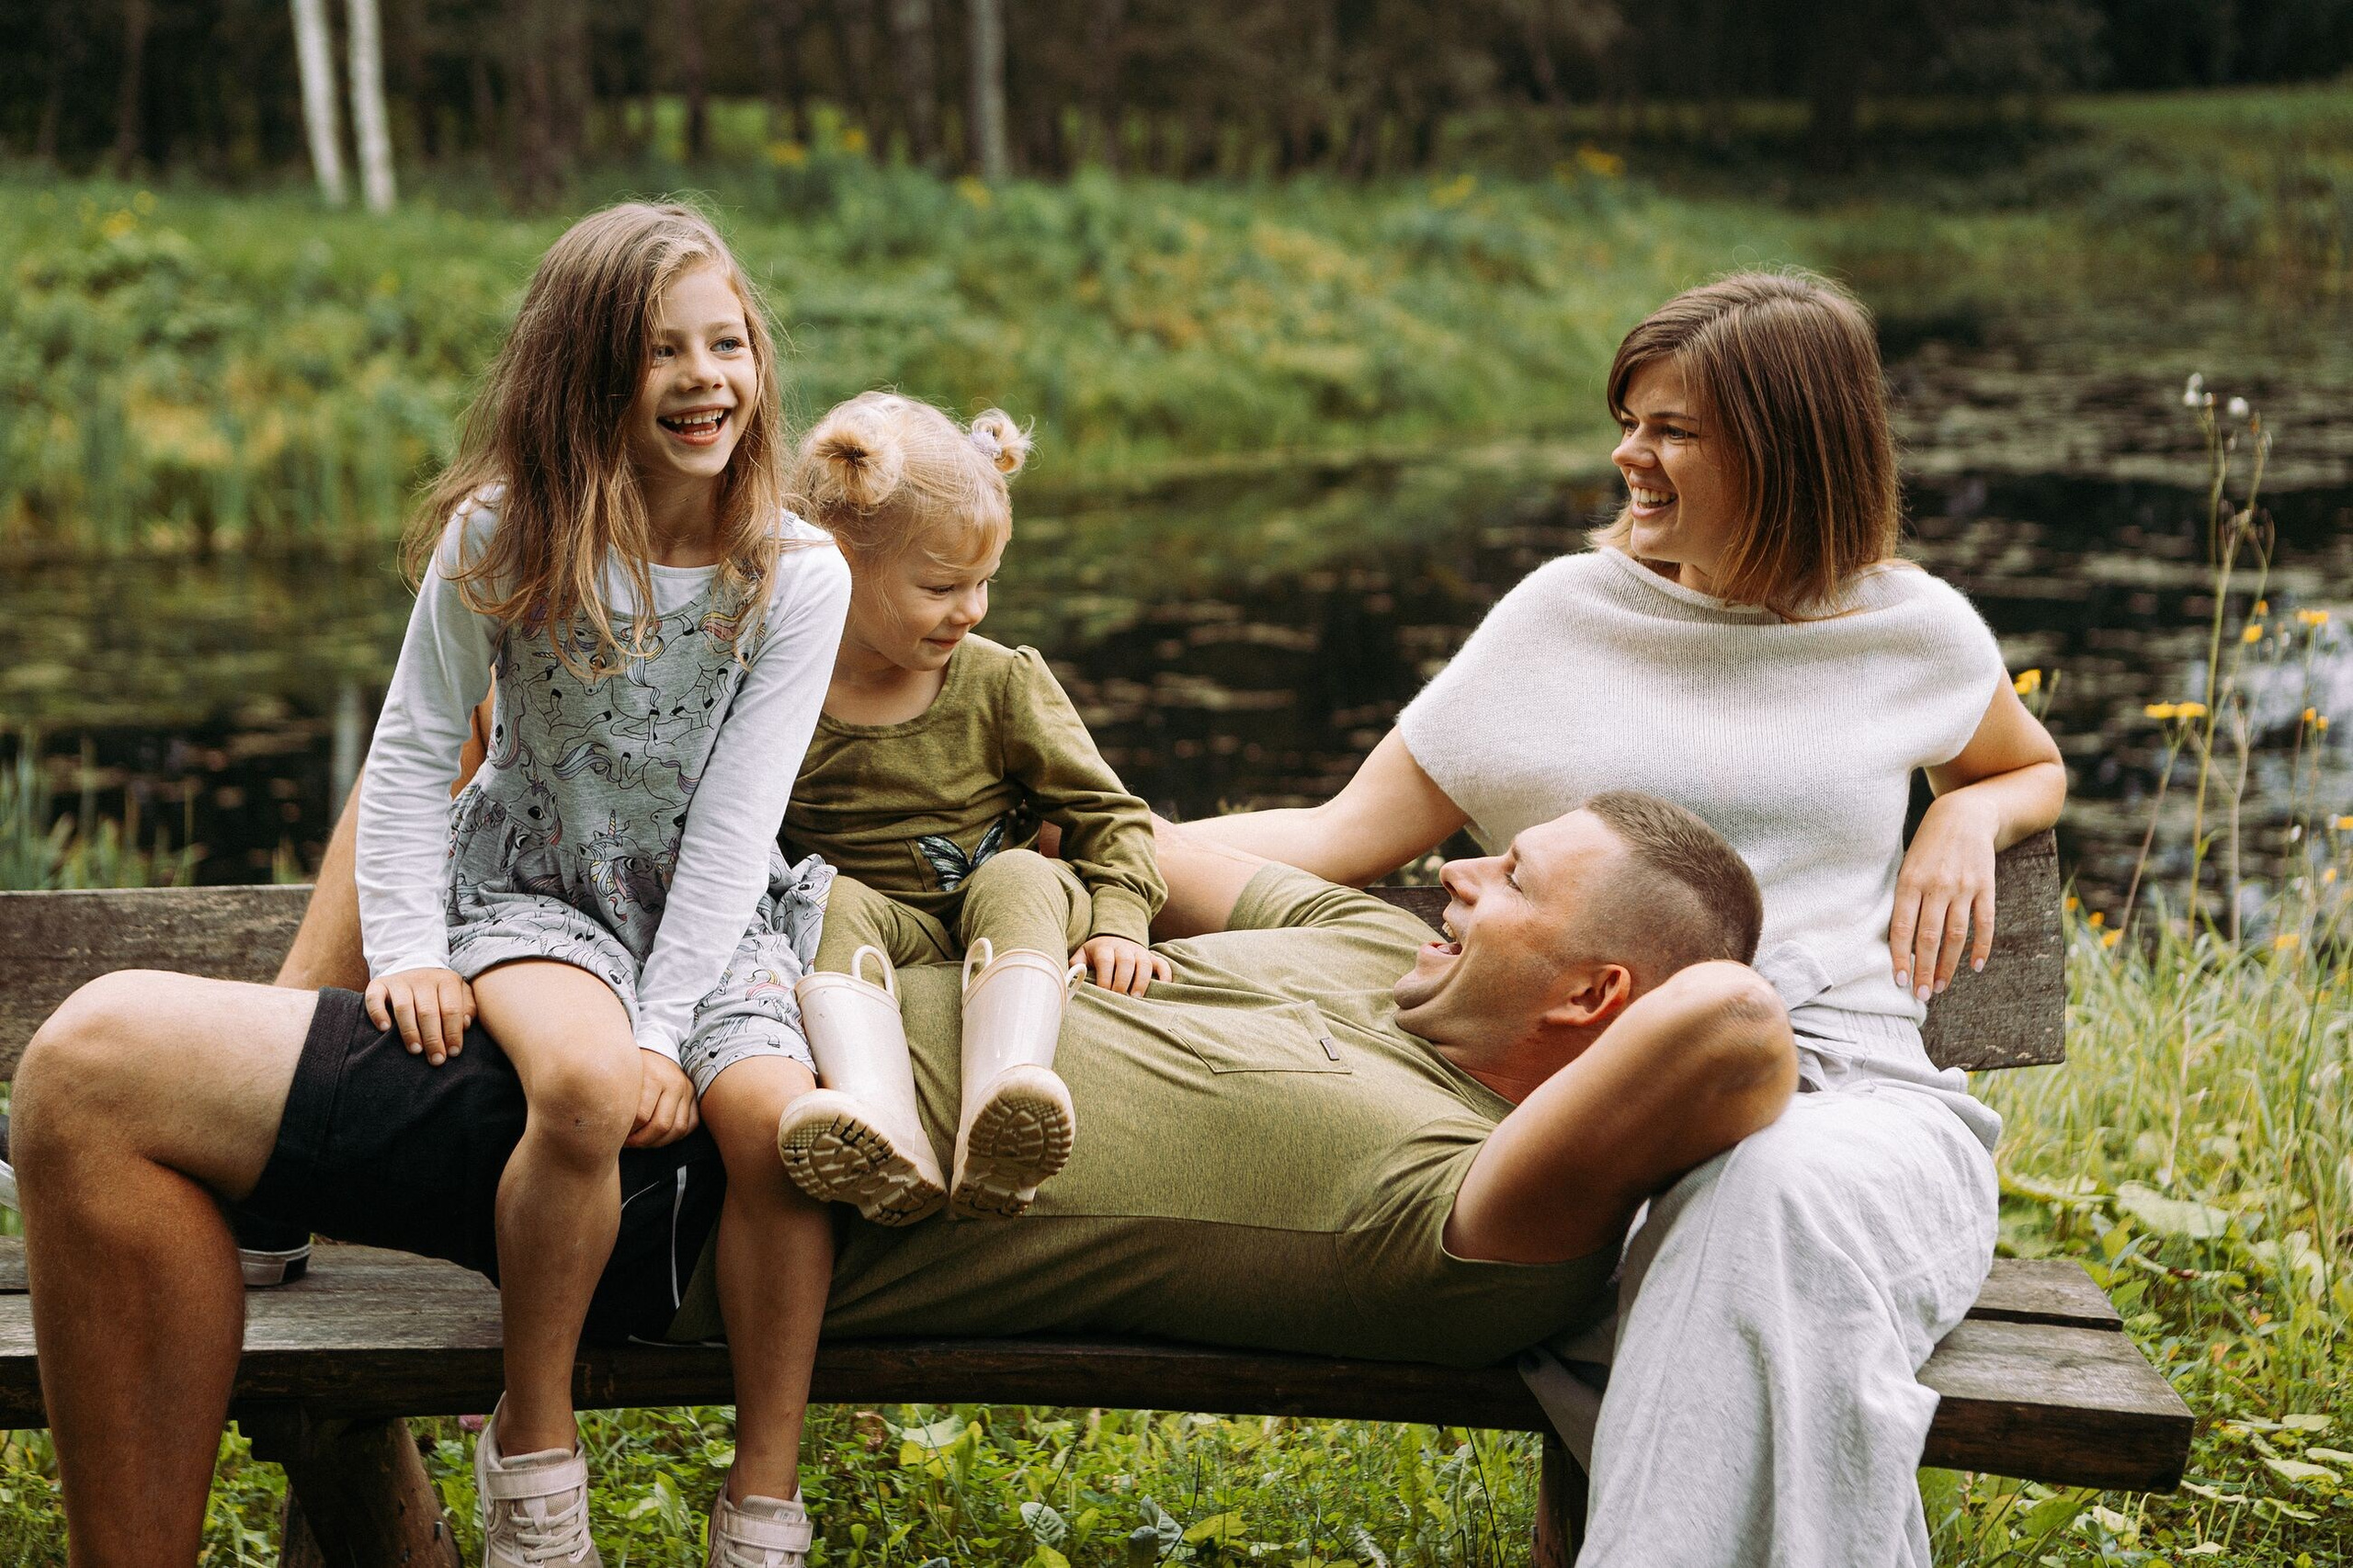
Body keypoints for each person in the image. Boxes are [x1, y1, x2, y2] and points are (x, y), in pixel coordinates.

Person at [14, 794, 1794, 1565]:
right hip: (708, 982)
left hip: (696, 1179)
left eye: (1516, 875)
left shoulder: (1476, 1204)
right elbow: (1081, 827)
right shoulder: (1349, 939)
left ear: (1590, 998)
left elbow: (1727, 1021)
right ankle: (269, 1181)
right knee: (474, 722)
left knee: (95, 1066)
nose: (1462, 870)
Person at [1176, 270, 2067, 1566]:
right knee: (1729, 1231)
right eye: (1629, 417)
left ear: (1787, 446)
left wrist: (1967, 816)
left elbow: (2020, 762)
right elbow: (1333, 838)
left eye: (1671, 429)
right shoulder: (1558, 621)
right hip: (1602, 1126)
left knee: (1770, 1191)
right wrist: (1106, 837)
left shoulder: (1911, 629)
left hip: (1863, 1107)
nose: (1625, 454)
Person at [353, 201, 850, 1562]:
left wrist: (667, 1021)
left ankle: (762, 1499)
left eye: (728, 343)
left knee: (778, 1128)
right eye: (660, 352)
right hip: (537, 890)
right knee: (577, 1089)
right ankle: (537, 1446)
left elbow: (742, 822)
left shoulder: (795, 573)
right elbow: (407, 754)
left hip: (708, 909)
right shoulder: (501, 536)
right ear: (584, 375)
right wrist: (404, 943)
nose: (707, 379)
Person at [773, 392, 1168, 1229]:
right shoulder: (781, 691)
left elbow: (1111, 816)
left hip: (1007, 914)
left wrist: (1120, 921)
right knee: (824, 896)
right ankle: (880, 1122)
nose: (973, 609)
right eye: (943, 586)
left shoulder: (998, 681)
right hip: (884, 935)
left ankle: (1009, 1096)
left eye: (985, 582)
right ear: (839, 562)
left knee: (1023, 867)